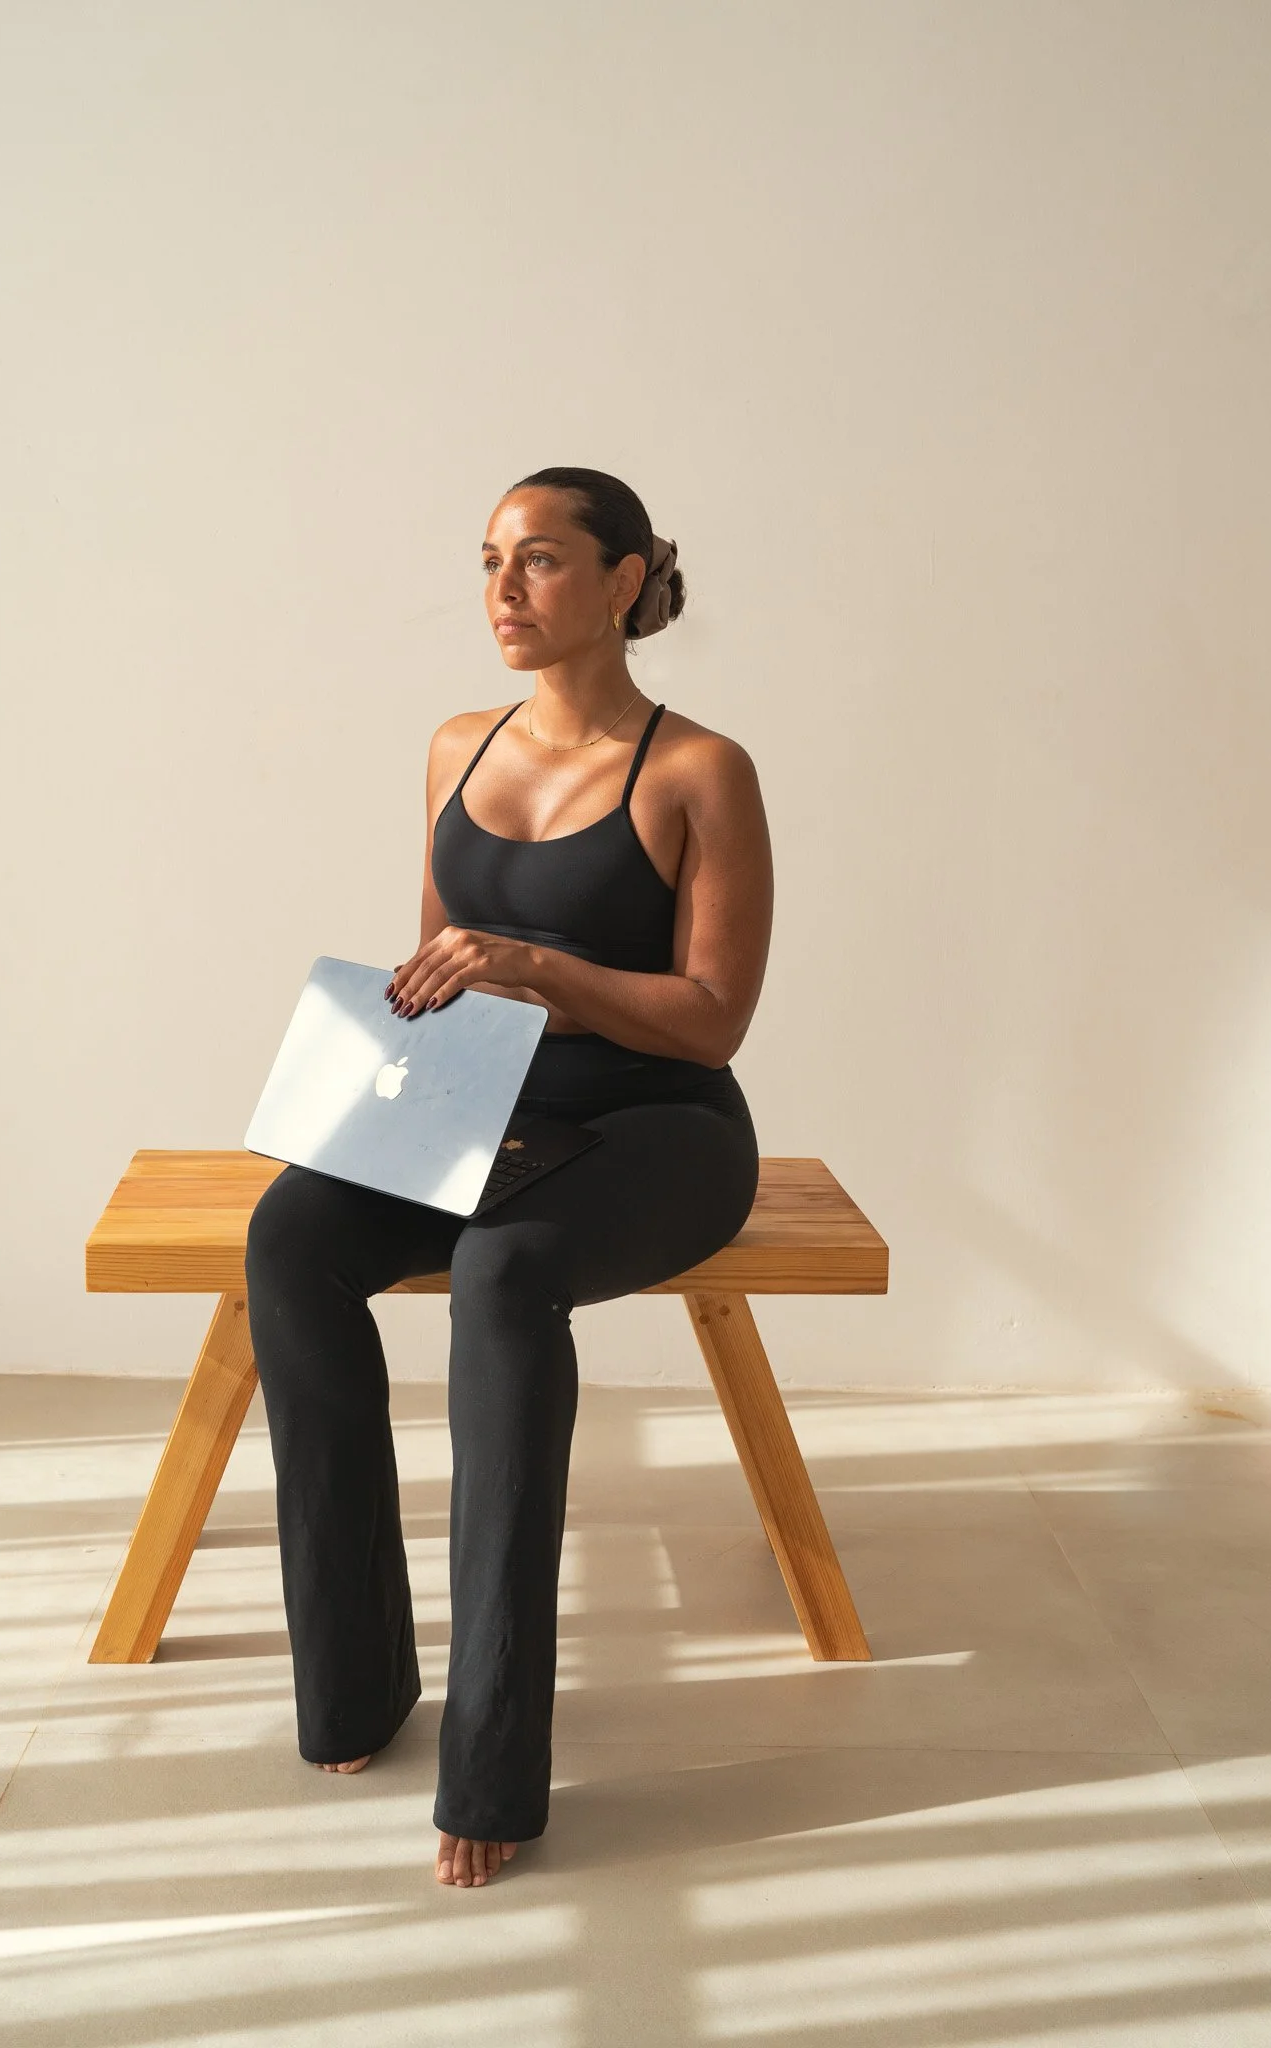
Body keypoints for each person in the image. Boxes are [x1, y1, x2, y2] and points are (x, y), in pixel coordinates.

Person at [244, 465, 774, 1888]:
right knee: (291, 1235)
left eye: (540, 561)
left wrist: (538, 967)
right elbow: (440, 982)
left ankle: (492, 1762)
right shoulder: (455, 749)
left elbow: (714, 1017)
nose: (503, 590)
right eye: (489, 560)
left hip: (665, 1130)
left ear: (624, 579)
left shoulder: (697, 769)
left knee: (507, 1271)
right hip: (492, 1108)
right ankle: (356, 1686)